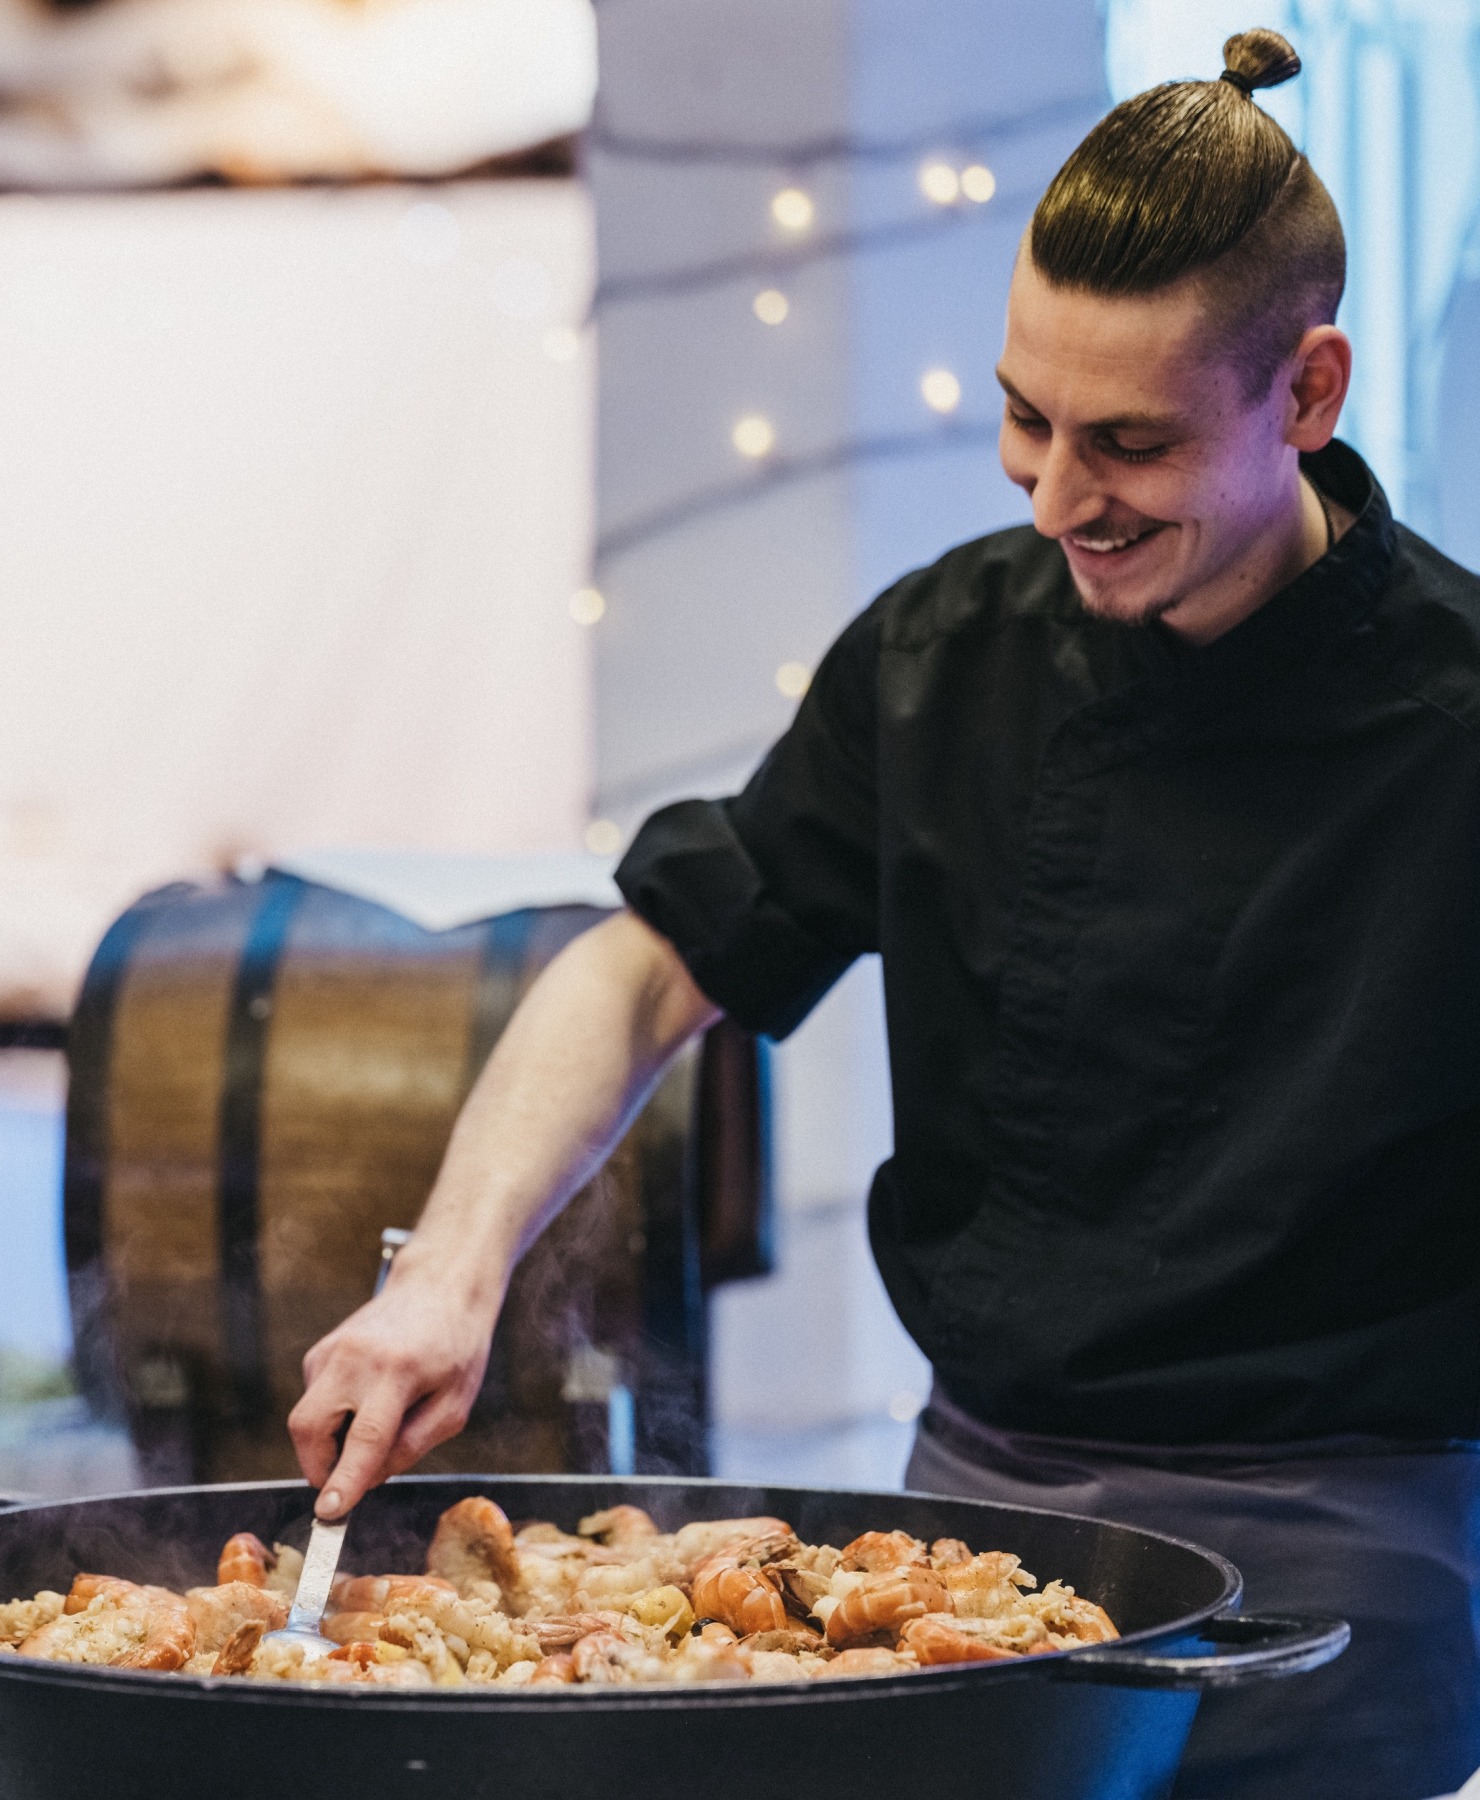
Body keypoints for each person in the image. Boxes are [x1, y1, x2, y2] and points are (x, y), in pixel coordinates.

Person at [286, 27, 1480, 1800]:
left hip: (1346, 1565)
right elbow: (649, 963)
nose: (1057, 495)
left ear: (1308, 393)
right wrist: (450, 1277)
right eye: (1025, 414)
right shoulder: (946, 656)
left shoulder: (1457, 722)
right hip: (961, 1547)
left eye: (1131, 443)